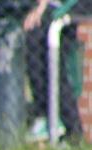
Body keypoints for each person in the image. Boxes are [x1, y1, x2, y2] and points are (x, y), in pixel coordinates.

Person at [25, 0, 86, 142]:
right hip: (51, 8)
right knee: (35, 46)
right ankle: (46, 117)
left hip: (65, 7)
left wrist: (41, 7)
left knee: (45, 49)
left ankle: (68, 126)